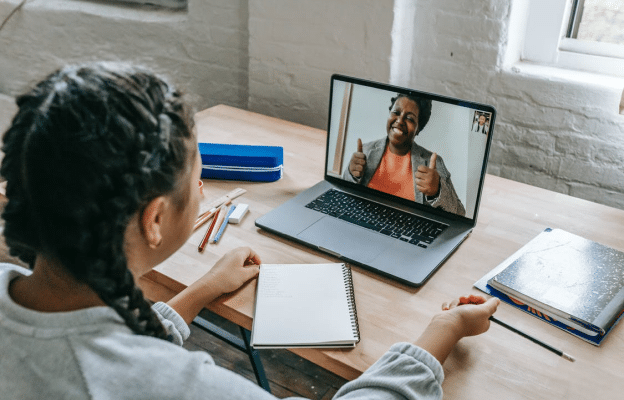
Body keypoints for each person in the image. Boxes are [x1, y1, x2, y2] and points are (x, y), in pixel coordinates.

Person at [0, 62, 499, 399]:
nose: (202, 183)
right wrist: (440, 332)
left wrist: (197, 293)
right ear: (154, 220)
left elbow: (105, 343)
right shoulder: (183, 386)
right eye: (197, 172)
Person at [342, 94, 466, 216]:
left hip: (408, 232)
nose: (400, 120)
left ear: (418, 129)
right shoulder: (366, 151)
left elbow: (459, 213)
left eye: (410, 119)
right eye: (396, 112)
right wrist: (351, 174)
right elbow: (344, 196)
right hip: (364, 221)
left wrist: (437, 191)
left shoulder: (432, 163)